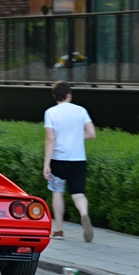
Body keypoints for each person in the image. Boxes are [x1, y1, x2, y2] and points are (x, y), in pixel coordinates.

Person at [43, 81, 96, 242]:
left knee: (57, 192)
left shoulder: (50, 112)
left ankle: (59, 230)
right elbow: (92, 134)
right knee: (78, 194)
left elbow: (50, 139)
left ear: (55, 96)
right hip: (78, 159)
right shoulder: (81, 111)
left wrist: (46, 164)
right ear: (69, 95)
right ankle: (84, 214)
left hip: (58, 160)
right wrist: (76, 137)